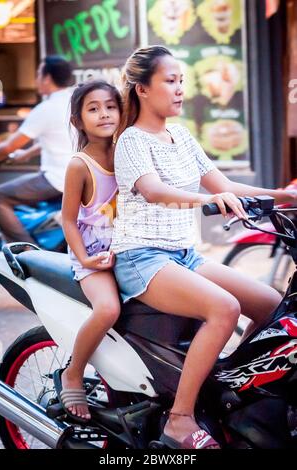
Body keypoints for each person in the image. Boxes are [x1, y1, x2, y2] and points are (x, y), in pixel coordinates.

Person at [110, 45, 297, 449]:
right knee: (224, 308)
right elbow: (155, 191)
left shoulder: (180, 134)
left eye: (182, 81)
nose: (180, 90)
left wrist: (282, 195)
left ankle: (225, 387)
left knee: (271, 305)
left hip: (184, 255)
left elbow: (224, 186)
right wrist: (205, 202)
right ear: (142, 89)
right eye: (170, 81)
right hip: (143, 257)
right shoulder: (131, 140)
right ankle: (179, 419)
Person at [53, 80, 122, 423]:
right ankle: (74, 372)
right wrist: (83, 258)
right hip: (92, 255)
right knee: (108, 309)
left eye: (110, 106)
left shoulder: (128, 150)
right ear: (78, 120)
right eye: (93, 108)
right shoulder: (79, 165)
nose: (104, 114)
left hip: (128, 251)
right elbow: (67, 220)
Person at [0, 55, 74, 244]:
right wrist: (27, 154)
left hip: (56, 178)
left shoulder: (46, 108)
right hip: (75, 176)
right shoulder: (74, 100)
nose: (36, 79)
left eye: (39, 74)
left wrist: (11, 152)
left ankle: (26, 251)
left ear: (47, 78)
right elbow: (60, 138)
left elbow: (8, 146)